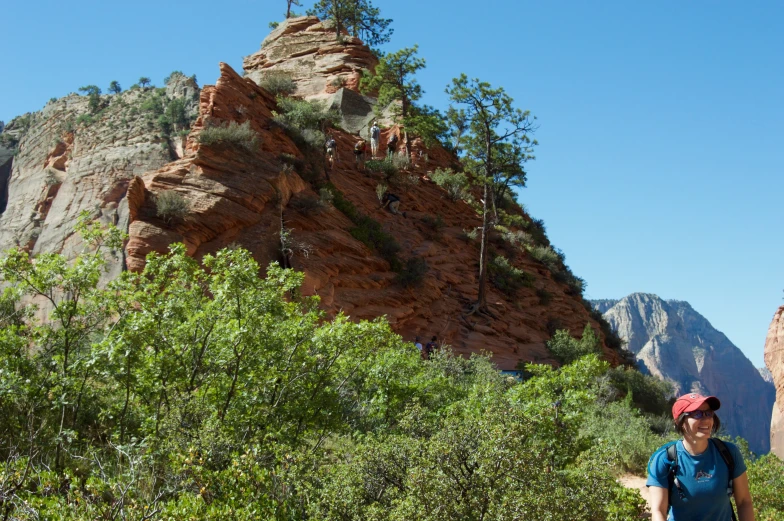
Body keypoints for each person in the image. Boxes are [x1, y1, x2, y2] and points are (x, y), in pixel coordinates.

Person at [646, 393, 755, 521]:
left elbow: (744, 502)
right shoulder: (665, 460)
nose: (706, 419)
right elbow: (658, 511)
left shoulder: (728, 453)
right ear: (680, 421)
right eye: (697, 414)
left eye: (708, 413)